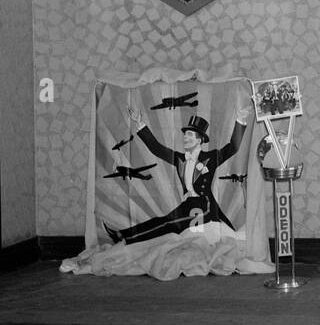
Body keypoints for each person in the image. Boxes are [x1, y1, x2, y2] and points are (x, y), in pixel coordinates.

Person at [105, 103, 250, 245]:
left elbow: (233, 147)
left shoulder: (211, 158)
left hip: (204, 206)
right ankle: (120, 235)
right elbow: (156, 149)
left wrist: (241, 119)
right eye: (185, 134)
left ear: (199, 140)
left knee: (170, 225)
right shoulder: (180, 159)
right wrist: (140, 123)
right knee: (160, 220)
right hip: (188, 203)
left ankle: (127, 241)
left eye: (190, 134)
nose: (185, 138)